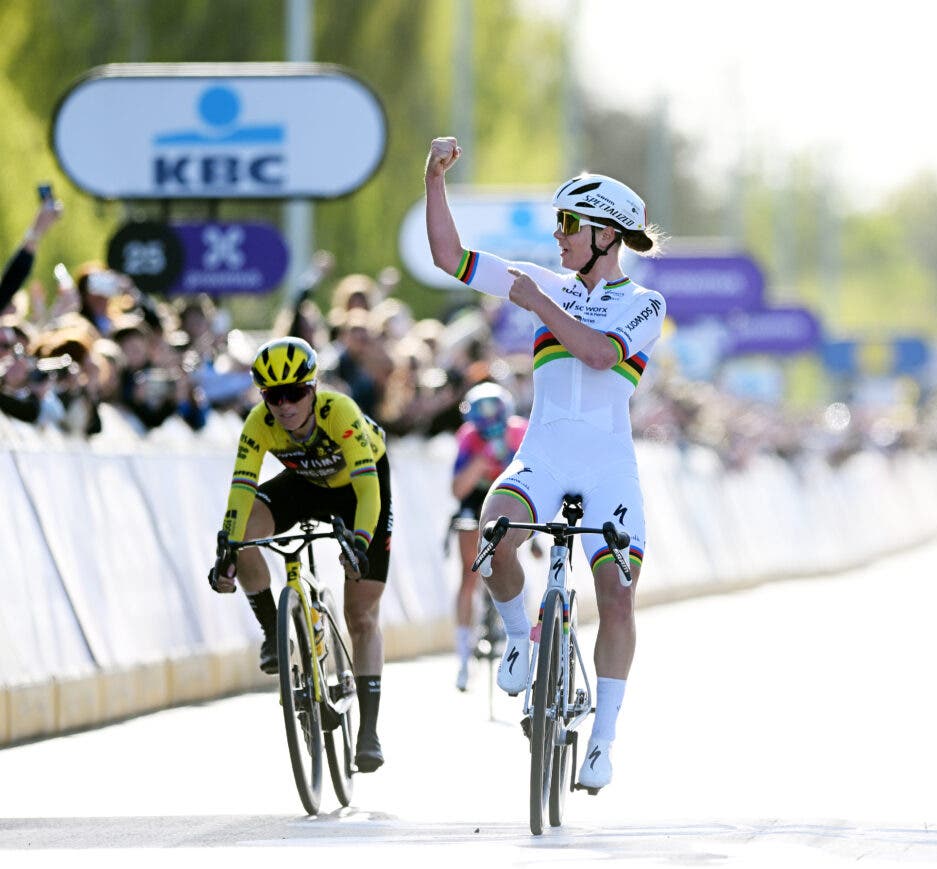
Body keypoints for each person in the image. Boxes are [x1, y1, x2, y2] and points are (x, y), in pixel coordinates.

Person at [425, 136, 666, 790]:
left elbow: (598, 354)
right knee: (493, 531)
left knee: (617, 598)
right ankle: (517, 638)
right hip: (544, 453)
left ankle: (603, 740)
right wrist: (434, 180)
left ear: (605, 236)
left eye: (568, 223)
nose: (557, 235)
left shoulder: (644, 304)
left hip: (608, 468)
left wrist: (536, 302)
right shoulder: (547, 284)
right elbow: (450, 257)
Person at [209, 337, 393, 772]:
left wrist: (360, 543)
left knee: (361, 614)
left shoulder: (339, 411)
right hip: (305, 485)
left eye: (294, 393)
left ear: (313, 389)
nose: (285, 406)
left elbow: (369, 490)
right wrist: (227, 551)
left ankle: (368, 731)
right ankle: (273, 631)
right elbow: (241, 489)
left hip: (357, 491)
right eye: (273, 396)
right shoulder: (258, 423)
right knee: (242, 535)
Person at [449, 381, 529, 691]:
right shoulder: (469, 437)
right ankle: (463, 658)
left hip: (510, 497)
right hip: (476, 499)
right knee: (468, 574)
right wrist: (481, 460)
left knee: (512, 556)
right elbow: (458, 490)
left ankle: (517, 634)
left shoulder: (519, 432)